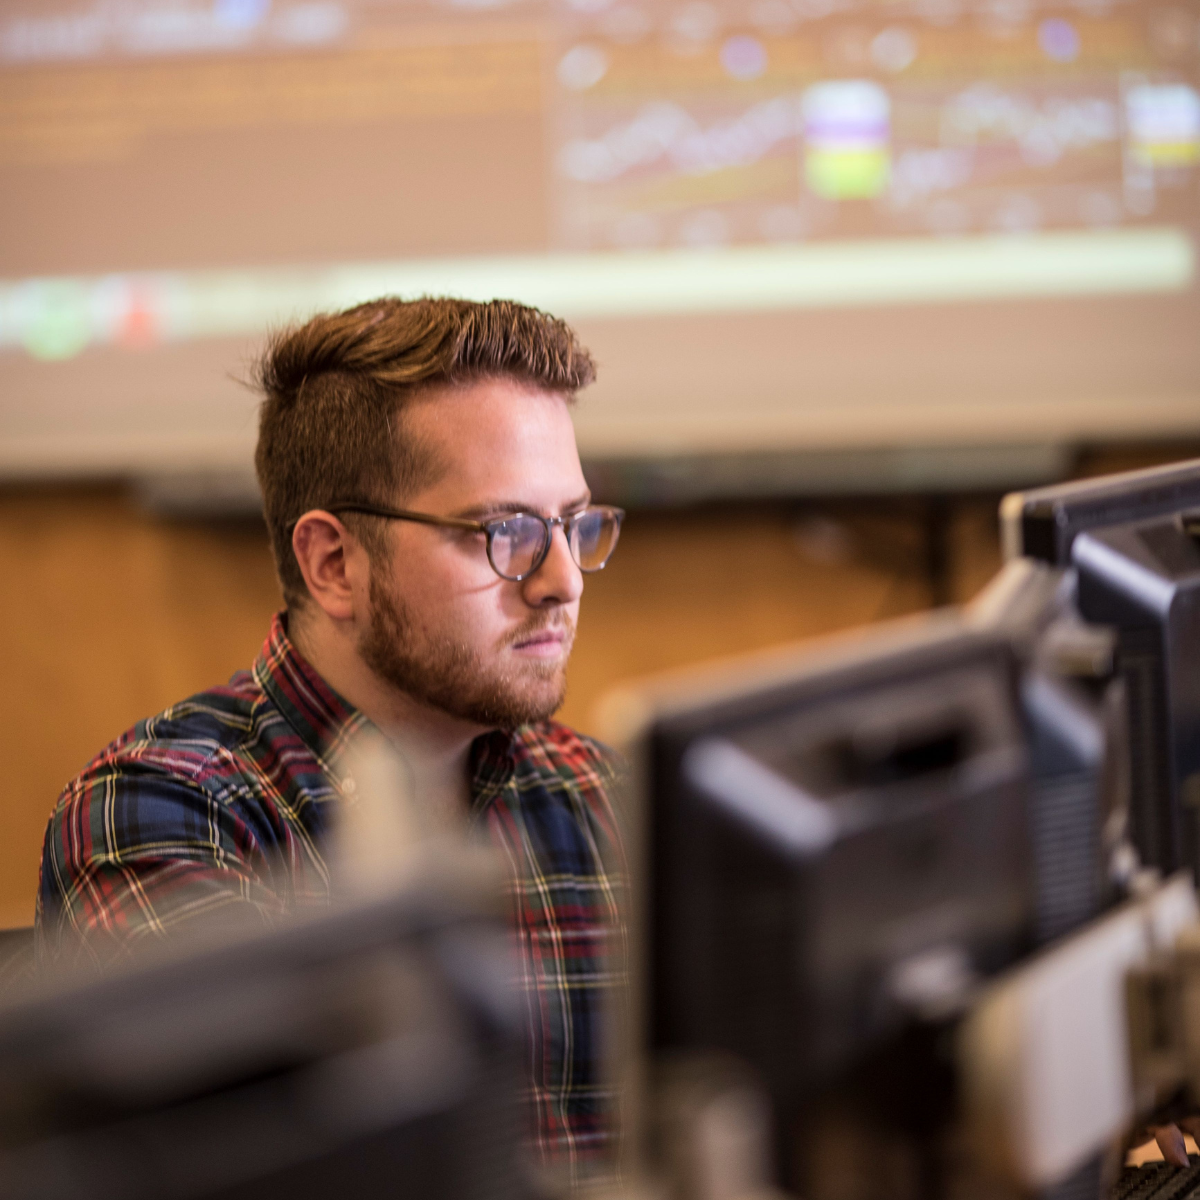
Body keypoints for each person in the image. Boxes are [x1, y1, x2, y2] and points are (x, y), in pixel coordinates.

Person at [35, 297, 628, 1178]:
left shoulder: (598, 791)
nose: (561, 580)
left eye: (575, 525)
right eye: (507, 532)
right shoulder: (161, 810)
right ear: (333, 564)